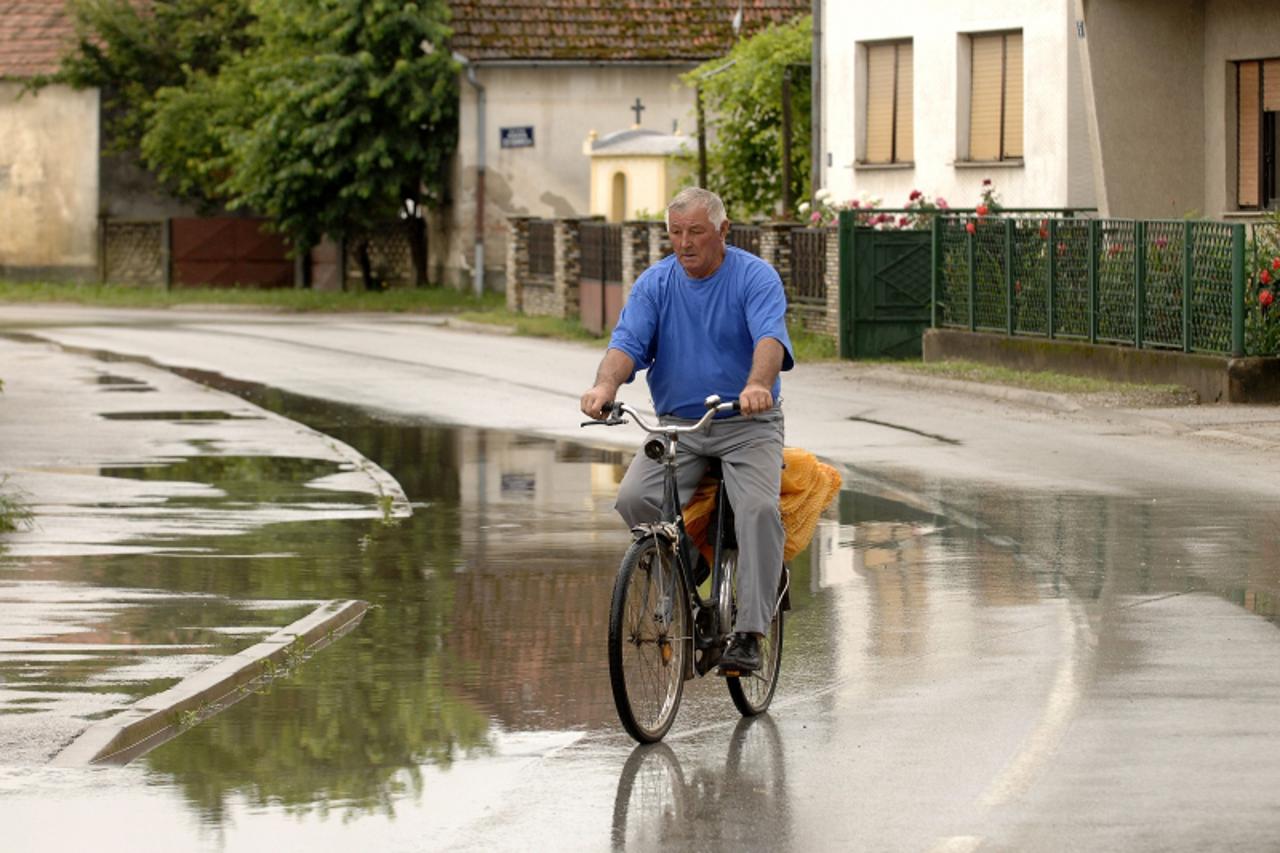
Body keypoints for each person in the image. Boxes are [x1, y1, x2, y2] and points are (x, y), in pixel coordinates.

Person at [580, 186, 794, 673]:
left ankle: (750, 632)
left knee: (758, 509)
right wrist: (604, 385)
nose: (684, 243)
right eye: (675, 233)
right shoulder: (656, 284)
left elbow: (770, 338)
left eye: (695, 232)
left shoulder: (754, 277)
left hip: (747, 422)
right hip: (679, 426)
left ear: (723, 231)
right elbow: (626, 342)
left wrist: (759, 384)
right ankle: (684, 569)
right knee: (635, 498)